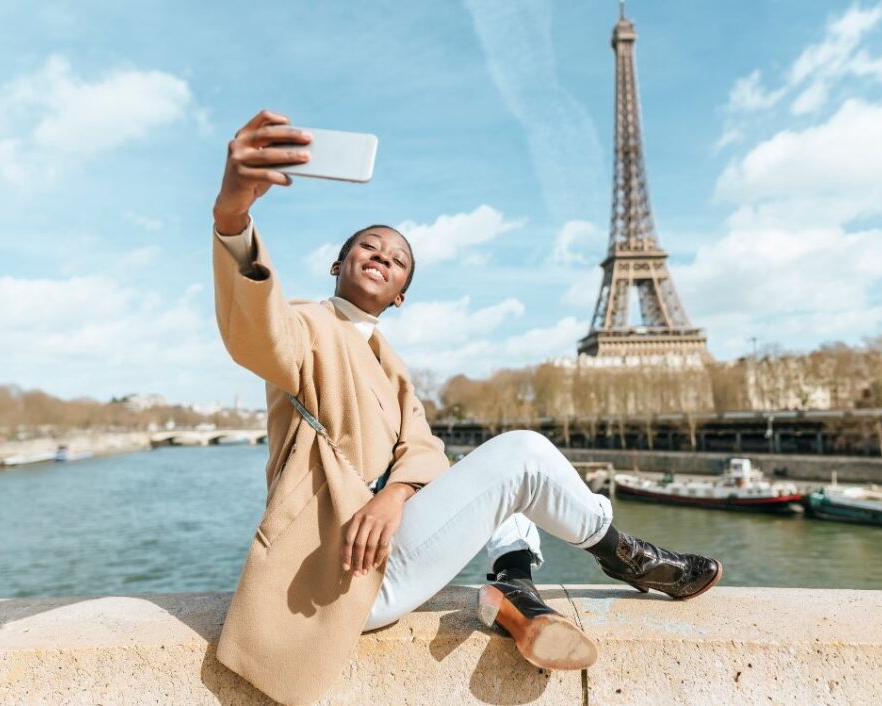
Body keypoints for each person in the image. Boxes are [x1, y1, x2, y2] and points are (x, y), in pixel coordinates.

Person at [211, 110, 722, 706]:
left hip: (386, 546)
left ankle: (514, 586)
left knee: (482, 474)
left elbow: (424, 448)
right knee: (523, 454)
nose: (381, 256)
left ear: (400, 294)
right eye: (367, 247)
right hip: (340, 575)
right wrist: (234, 214)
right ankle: (626, 555)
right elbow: (256, 329)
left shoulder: (390, 362)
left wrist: (395, 495)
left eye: (397, 259)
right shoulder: (306, 326)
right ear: (337, 266)